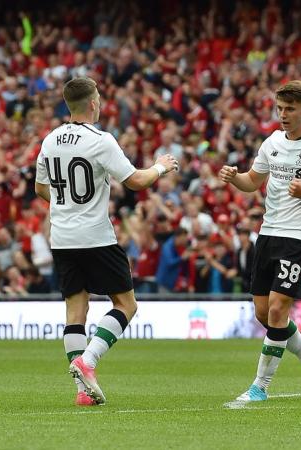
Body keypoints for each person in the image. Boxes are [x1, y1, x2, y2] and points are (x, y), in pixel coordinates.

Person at [34, 77, 178, 407]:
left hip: (62, 237)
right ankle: (88, 361)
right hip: (95, 235)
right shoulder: (100, 140)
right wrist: (160, 167)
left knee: (76, 311)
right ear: (93, 103)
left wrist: (67, 206)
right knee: (126, 304)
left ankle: (82, 391)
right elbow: (136, 181)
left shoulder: (50, 140)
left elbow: (41, 188)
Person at [219, 80, 301, 405]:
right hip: (268, 234)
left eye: (289, 109)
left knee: (279, 310)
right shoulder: (272, 142)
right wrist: (234, 178)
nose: (283, 114)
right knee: (264, 314)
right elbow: (253, 181)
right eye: (279, 108)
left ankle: (259, 387)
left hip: (299, 238)